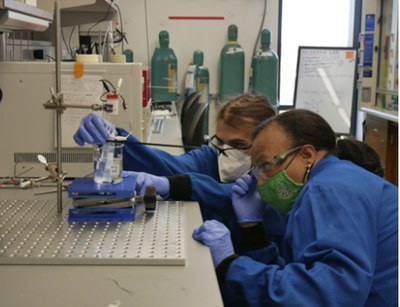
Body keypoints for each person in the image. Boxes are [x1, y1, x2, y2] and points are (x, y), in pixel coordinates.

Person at [193, 109, 398, 306]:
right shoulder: (333, 180)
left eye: (266, 165)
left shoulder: (327, 189)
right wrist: (252, 228)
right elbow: (300, 275)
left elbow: (328, 296)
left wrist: (230, 265)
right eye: (257, 170)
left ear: (307, 155)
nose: (261, 182)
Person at [73, 94, 286, 252]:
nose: (225, 150)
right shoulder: (212, 156)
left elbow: (236, 194)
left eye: (239, 144)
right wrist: (114, 137)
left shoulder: (282, 184)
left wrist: (175, 185)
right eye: (220, 141)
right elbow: (169, 166)